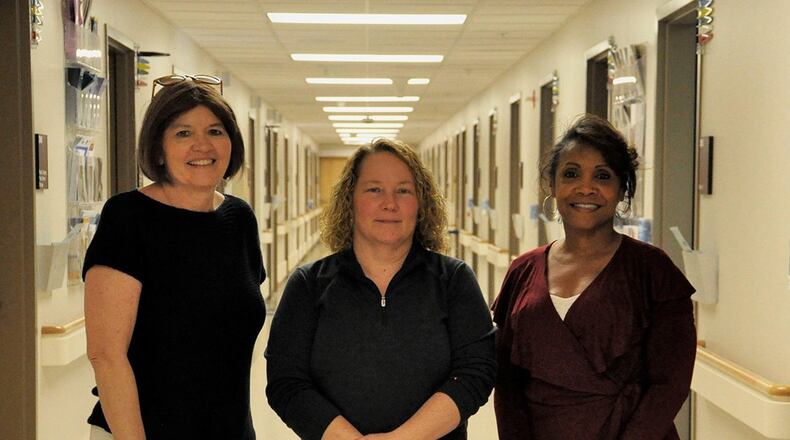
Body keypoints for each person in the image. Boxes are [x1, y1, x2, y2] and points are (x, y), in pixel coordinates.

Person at [265, 138, 496, 440]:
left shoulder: (454, 280)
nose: (390, 203)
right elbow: (287, 382)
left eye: (403, 190)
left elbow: (474, 374)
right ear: (350, 200)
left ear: (421, 203)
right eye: (374, 189)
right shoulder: (309, 284)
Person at [83, 75, 266, 440]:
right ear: (158, 147)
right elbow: (107, 356)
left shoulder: (239, 219)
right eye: (183, 133)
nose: (202, 145)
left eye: (215, 131)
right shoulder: (129, 218)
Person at [492, 114, 696, 439]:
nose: (586, 188)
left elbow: (669, 385)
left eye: (602, 176)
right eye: (571, 173)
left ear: (621, 189)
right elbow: (508, 386)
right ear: (553, 184)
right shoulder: (523, 271)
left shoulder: (652, 270)